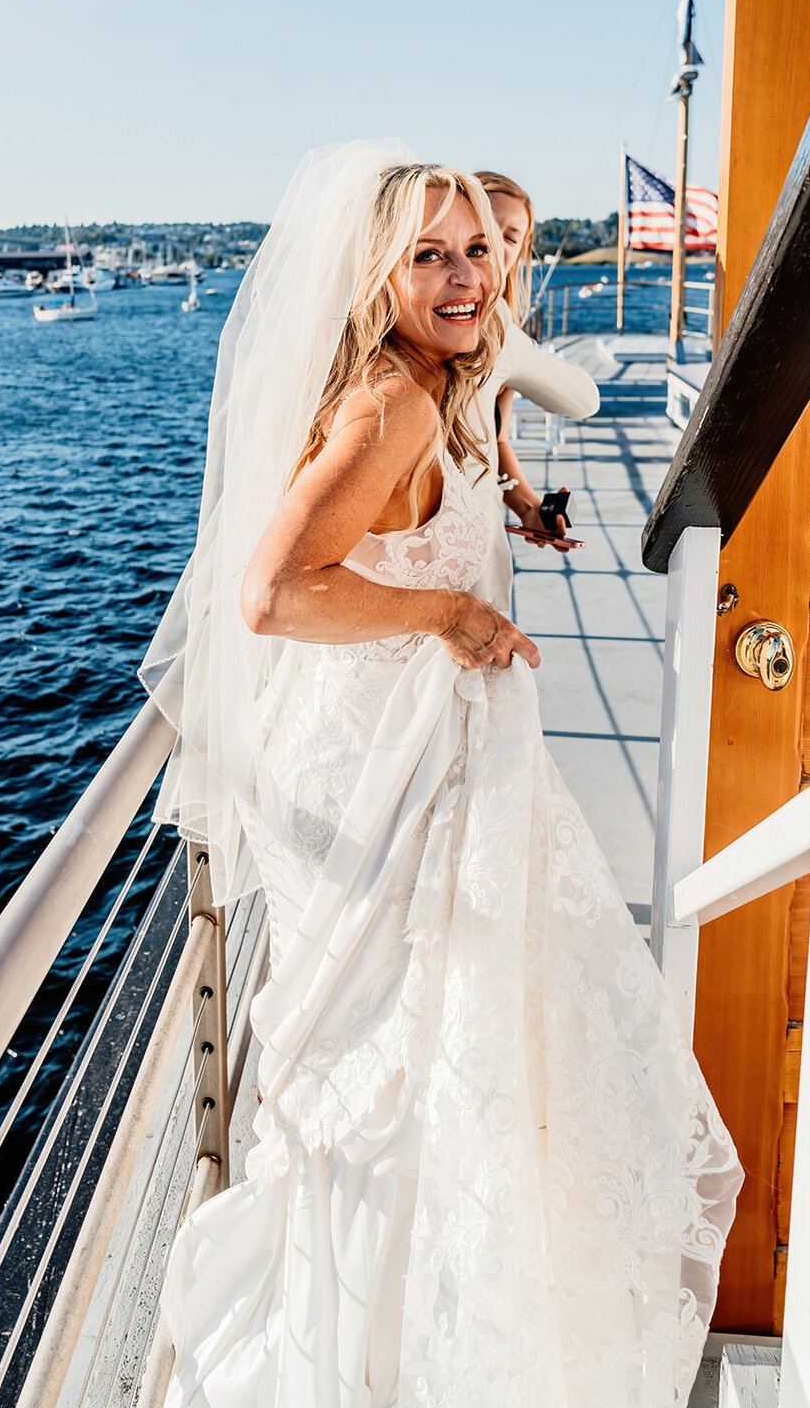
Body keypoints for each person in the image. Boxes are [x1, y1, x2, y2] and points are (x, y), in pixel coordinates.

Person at [140, 141, 740, 1408]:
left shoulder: (436, 375)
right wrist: (446, 616)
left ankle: (391, 1334)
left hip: (413, 749)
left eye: (480, 247)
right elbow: (273, 590)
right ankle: (374, 1356)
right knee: (400, 1059)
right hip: (380, 767)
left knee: (426, 1054)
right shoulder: (393, 402)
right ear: (381, 270)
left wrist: (497, 528)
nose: (471, 275)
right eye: (434, 253)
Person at [469, 169, 598, 611]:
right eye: (482, 223)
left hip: (478, 540)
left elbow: (494, 437)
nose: (492, 241)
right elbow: (583, 401)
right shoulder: (500, 336)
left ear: (518, 254)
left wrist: (528, 509)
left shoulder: (502, 332)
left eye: (510, 236)